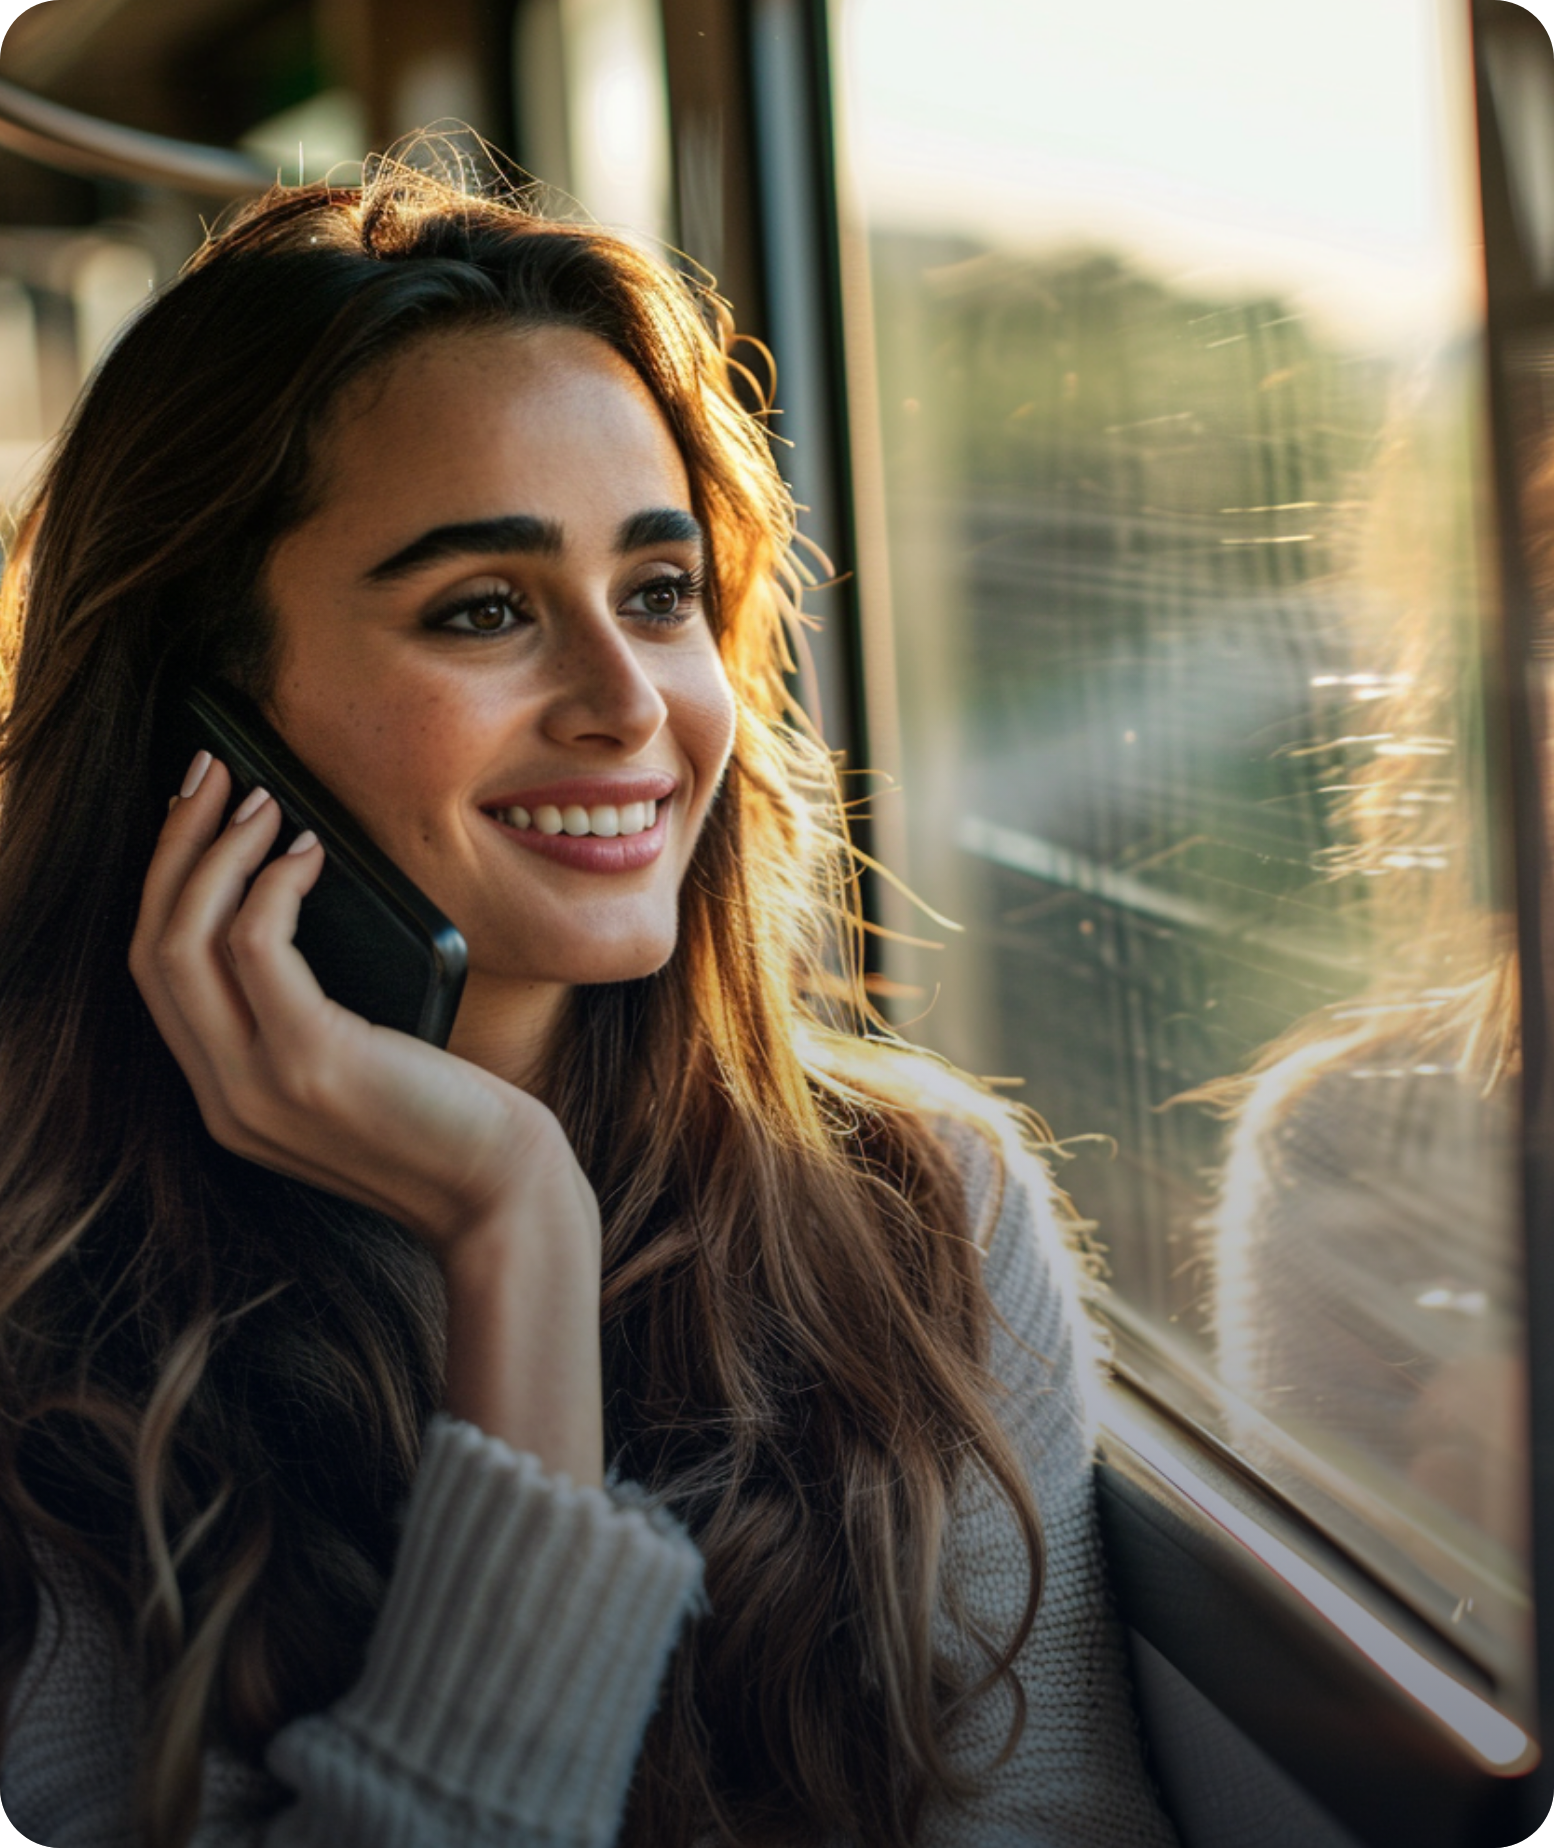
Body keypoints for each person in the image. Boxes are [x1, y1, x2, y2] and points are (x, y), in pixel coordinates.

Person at [0, 154, 1180, 1848]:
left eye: (659, 592)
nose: (629, 704)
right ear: (206, 714)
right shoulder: (33, 1301)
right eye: (484, 610)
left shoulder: (925, 1212)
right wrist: (512, 1227)